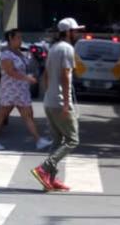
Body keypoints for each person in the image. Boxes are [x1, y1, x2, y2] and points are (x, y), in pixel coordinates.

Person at [30, 18, 84, 192]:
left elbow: (45, 75)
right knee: (72, 140)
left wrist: (48, 94)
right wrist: (66, 104)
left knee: (57, 140)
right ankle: (45, 168)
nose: (77, 34)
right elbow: (66, 76)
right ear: (67, 32)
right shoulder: (67, 49)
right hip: (60, 102)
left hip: (50, 101)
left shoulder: (53, 48)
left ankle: (50, 180)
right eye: (75, 31)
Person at [0, 29, 52, 151]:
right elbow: (10, 72)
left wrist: (29, 77)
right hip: (10, 90)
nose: (20, 40)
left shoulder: (19, 53)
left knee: (28, 115)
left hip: (21, 90)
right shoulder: (6, 54)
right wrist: (27, 78)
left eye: (20, 38)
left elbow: (23, 68)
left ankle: (38, 140)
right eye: (18, 38)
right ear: (11, 39)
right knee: (2, 115)